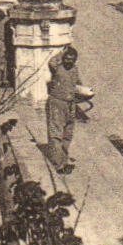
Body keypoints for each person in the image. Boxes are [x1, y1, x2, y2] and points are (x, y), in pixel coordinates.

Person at [45, 46, 81, 175]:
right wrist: (61, 52)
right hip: (57, 103)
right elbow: (51, 62)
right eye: (66, 58)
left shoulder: (75, 69)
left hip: (70, 105)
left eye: (72, 59)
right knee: (56, 134)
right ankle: (58, 164)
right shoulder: (57, 68)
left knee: (67, 134)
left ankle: (64, 161)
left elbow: (78, 85)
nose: (69, 61)